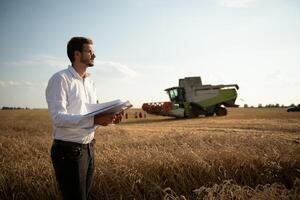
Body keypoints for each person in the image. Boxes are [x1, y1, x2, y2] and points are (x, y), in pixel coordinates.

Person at [46, 37, 119, 200]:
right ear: (77, 54)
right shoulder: (60, 79)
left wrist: (108, 118)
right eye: (90, 51)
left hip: (88, 148)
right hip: (68, 151)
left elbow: (92, 114)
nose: (94, 55)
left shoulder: (90, 83)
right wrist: (94, 120)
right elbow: (58, 118)